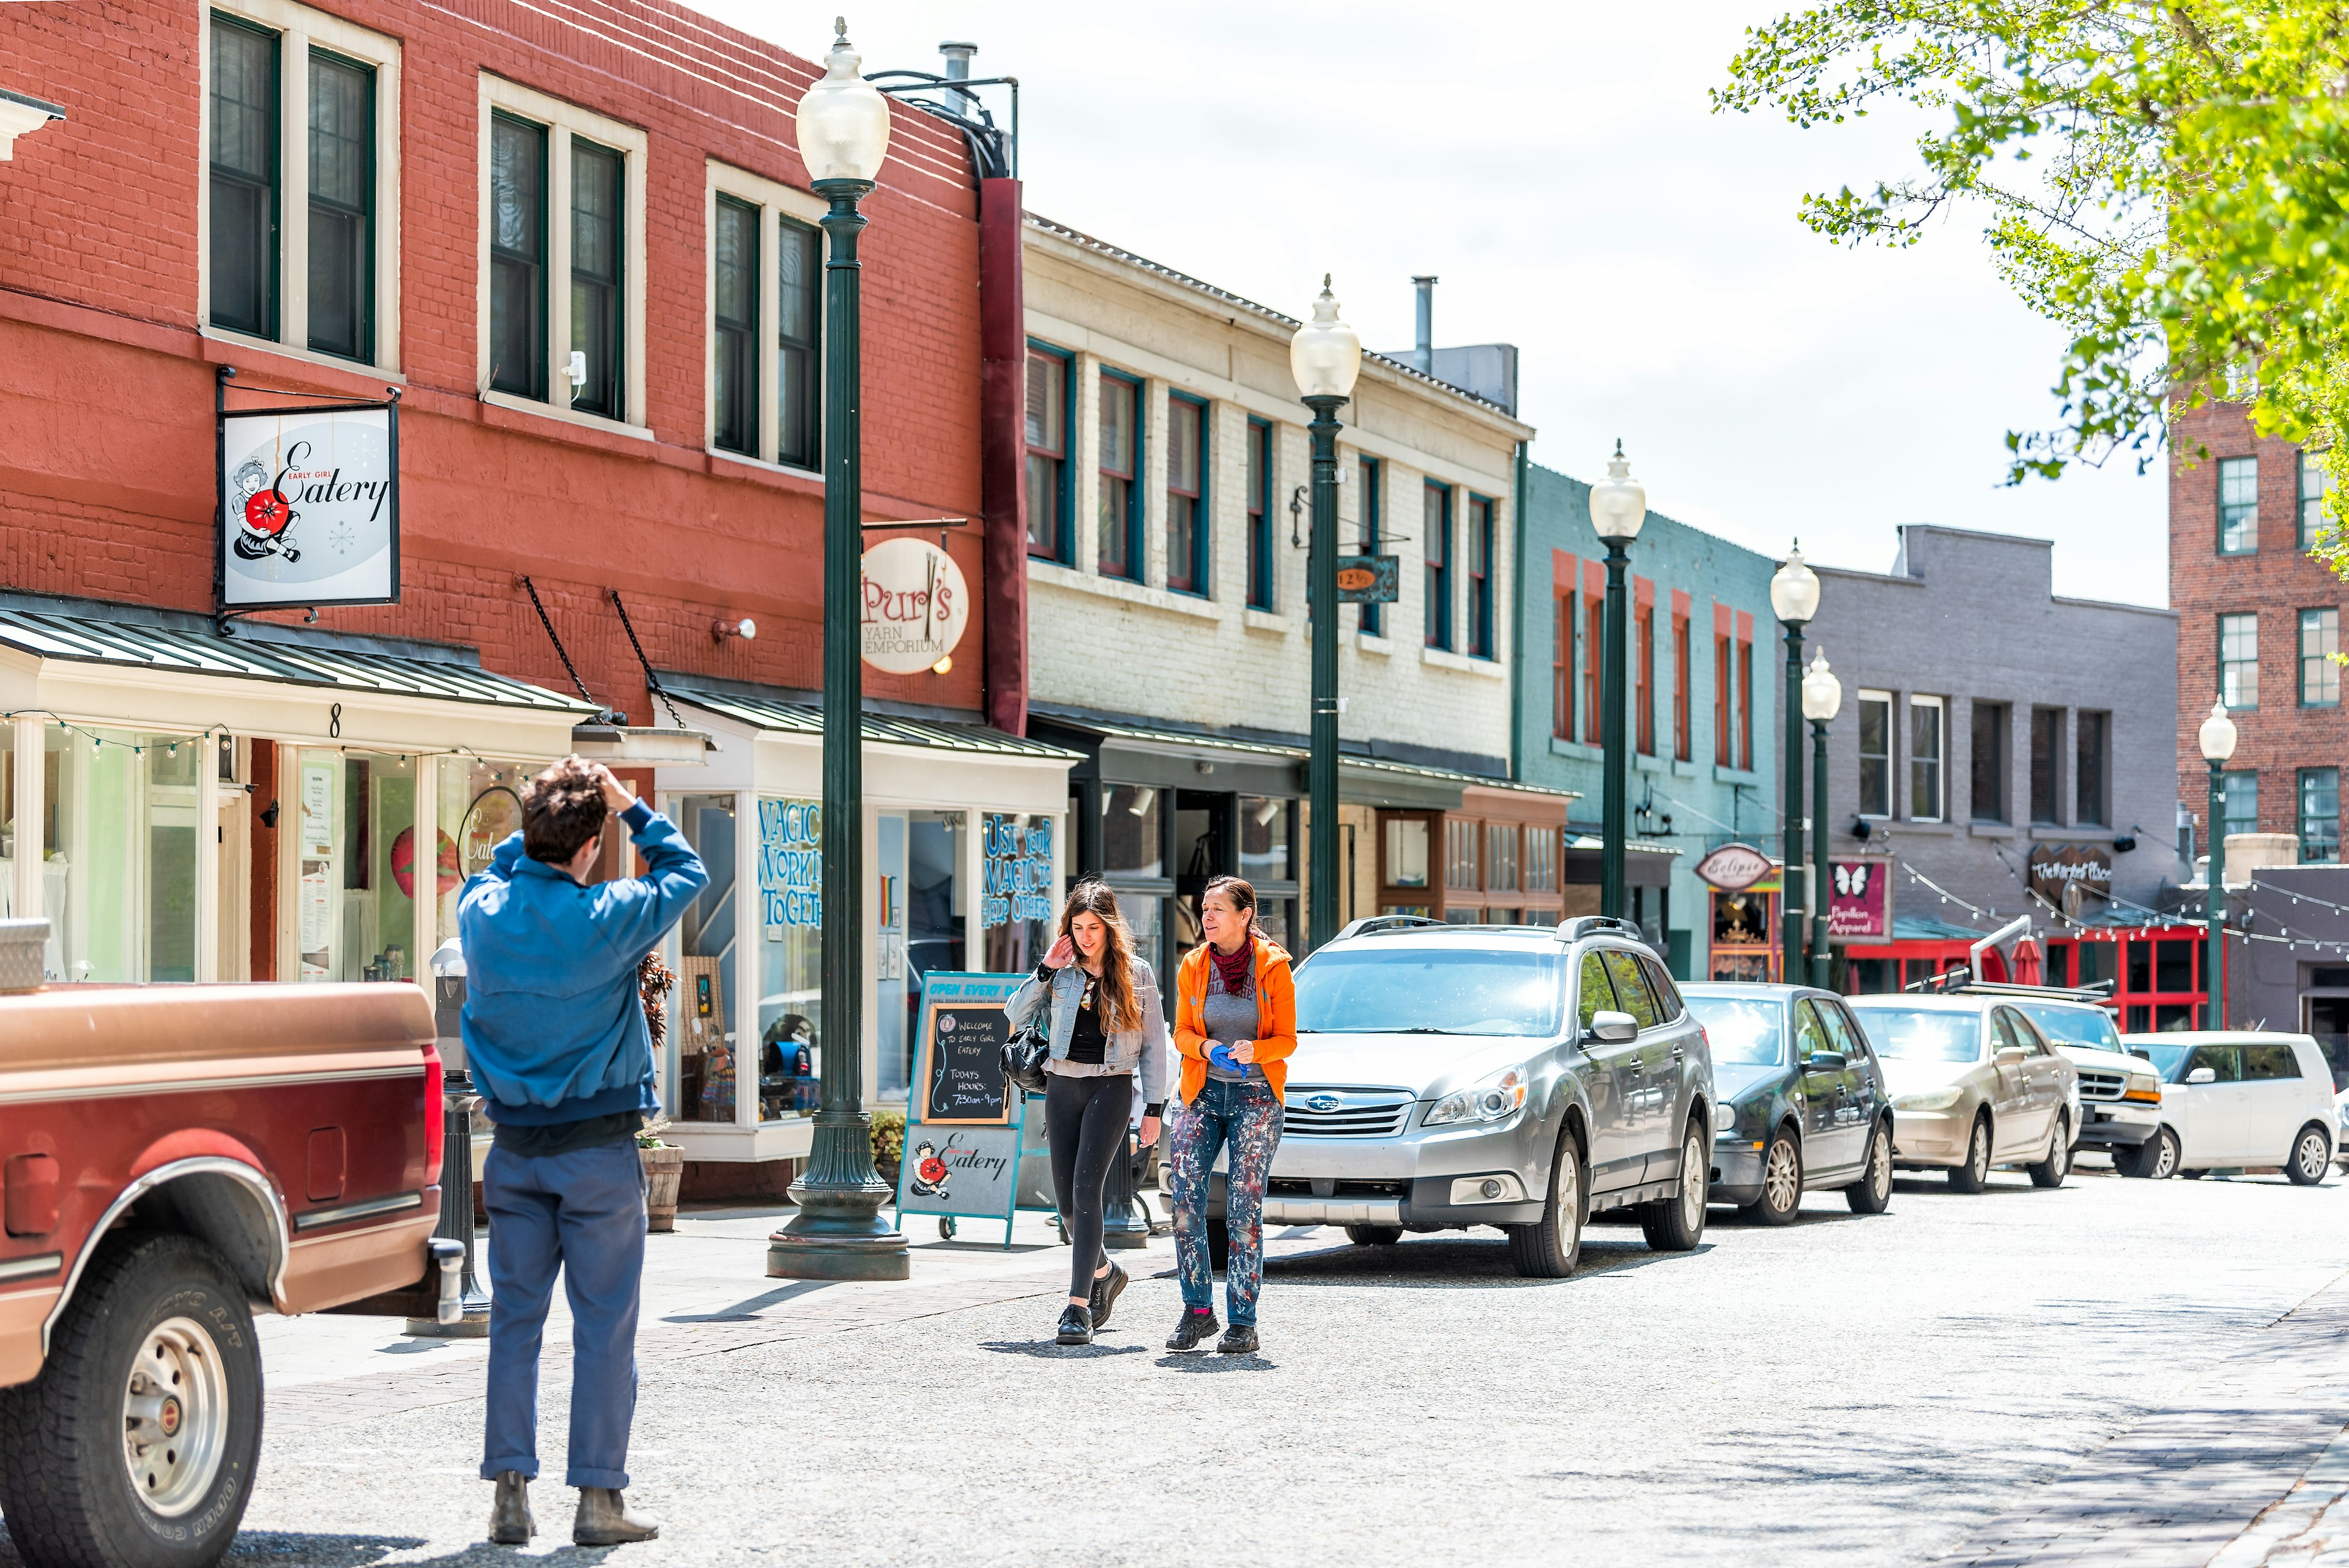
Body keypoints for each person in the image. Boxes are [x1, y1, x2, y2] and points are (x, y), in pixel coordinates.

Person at [459, 757, 708, 1547]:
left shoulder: (480, 909)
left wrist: (538, 824)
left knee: (515, 1322)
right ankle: (598, 1501)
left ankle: (508, 1493)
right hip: (598, 1152)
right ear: (592, 844)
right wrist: (627, 802)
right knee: (605, 1328)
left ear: (531, 834)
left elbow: (500, 869)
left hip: (514, 1153)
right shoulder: (611, 914)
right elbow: (685, 866)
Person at [1005, 882, 1167, 1345]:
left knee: (1085, 1189)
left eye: (1094, 927)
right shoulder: (1061, 970)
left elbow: (1156, 1046)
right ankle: (1105, 1270)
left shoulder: (1136, 973)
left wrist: (1153, 1108)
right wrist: (1044, 969)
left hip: (1111, 1086)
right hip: (1061, 1085)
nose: (1086, 936)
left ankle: (1077, 1307)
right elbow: (1014, 1014)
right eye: (1078, 927)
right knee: (1066, 1205)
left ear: (1109, 927)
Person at [1166, 875, 1296, 1355]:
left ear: (1245, 916)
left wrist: (1254, 1050)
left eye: (1218, 909)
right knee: (1184, 1204)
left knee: (1244, 1210)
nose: (1207, 916)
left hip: (1256, 1098)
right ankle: (1197, 1310)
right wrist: (1205, 1047)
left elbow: (1288, 1039)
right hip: (1201, 1094)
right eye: (1204, 908)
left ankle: (1243, 1321)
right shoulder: (1193, 965)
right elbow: (1179, 1031)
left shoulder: (1274, 968)